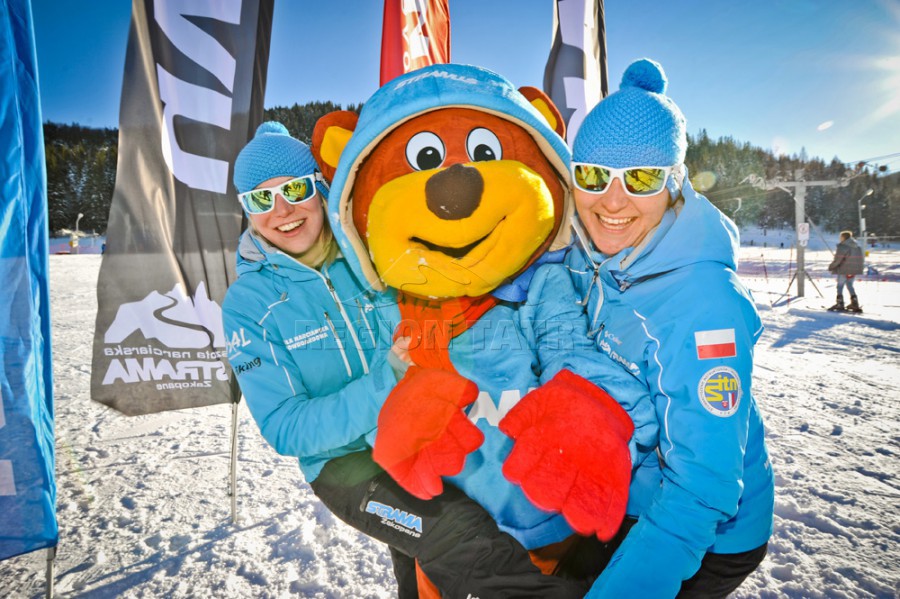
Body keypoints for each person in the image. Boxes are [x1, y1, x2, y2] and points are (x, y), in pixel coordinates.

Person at [221, 121, 588, 598]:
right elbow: (286, 427)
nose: (283, 210)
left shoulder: (372, 251)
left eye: (294, 190)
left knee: (426, 564)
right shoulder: (250, 303)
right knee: (458, 536)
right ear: (246, 211)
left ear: (320, 188)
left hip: (423, 433)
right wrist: (388, 384)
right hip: (349, 465)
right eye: (261, 200)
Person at [565, 59, 775, 598]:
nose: (612, 200)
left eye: (641, 178)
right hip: (626, 500)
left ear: (674, 185)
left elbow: (702, 488)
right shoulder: (592, 253)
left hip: (706, 535)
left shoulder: (705, 306)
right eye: (592, 175)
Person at [827, 230, 864, 312]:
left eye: (840, 237)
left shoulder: (842, 247)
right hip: (854, 270)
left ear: (843, 237)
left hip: (844, 270)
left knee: (840, 286)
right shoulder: (857, 247)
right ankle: (854, 303)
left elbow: (838, 260)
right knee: (850, 285)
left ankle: (840, 303)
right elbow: (860, 259)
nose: (840, 238)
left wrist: (831, 267)